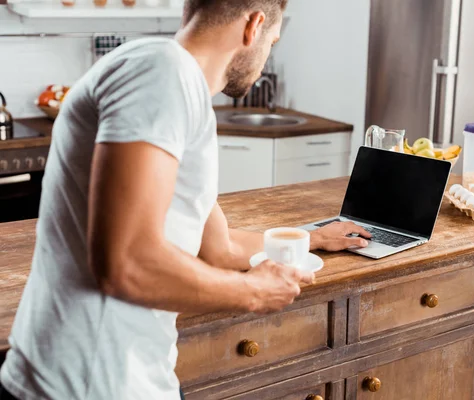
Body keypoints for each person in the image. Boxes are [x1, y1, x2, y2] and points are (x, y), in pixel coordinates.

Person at [0, 1, 372, 399]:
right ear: (254, 26)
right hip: (83, 386)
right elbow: (126, 263)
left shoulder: (177, 86)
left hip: (128, 380)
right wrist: (254, 292)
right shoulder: (163, 74)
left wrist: (312, 237)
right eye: (273, 42)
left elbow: (219, 247)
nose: (265, 59)